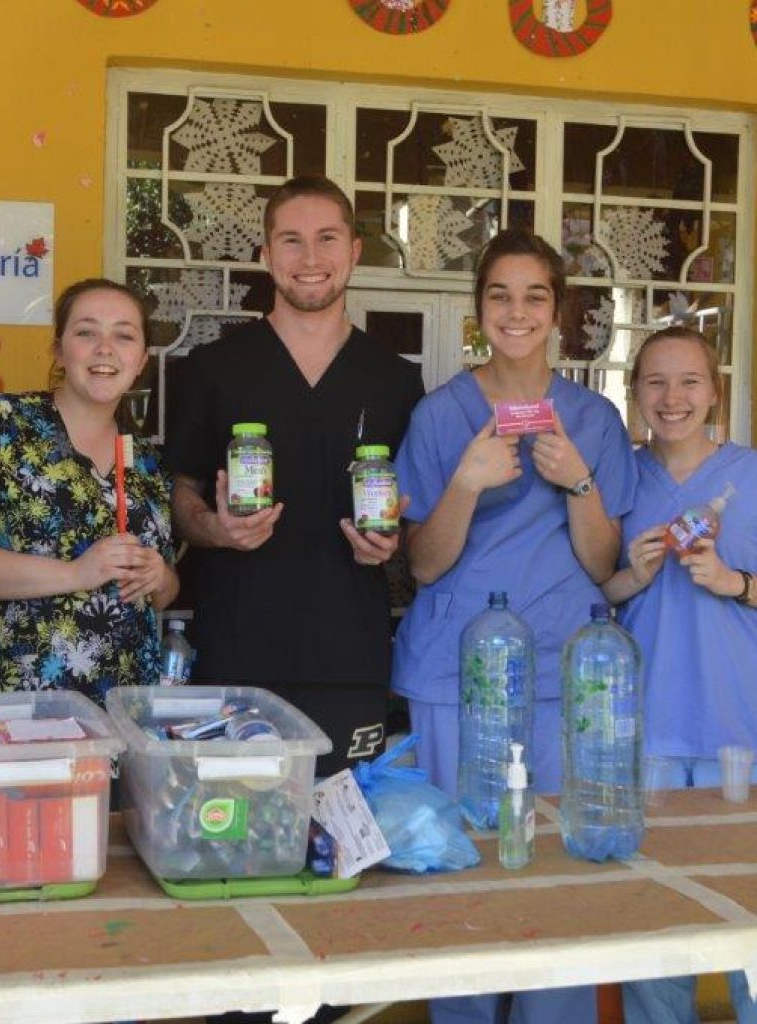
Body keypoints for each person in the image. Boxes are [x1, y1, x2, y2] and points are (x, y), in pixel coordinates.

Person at [393, 229, 637, 1024]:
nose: (517, 311)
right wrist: (464, 482)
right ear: (478, 311)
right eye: (500, 294)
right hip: (452, 673)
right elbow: (423, 565)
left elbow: (604, 563)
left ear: (558, 313)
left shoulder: (592, 419)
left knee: (554, 880)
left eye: (535, 296)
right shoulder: (440, 417)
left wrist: (579, 481)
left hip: (561, 673)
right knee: (458, 869)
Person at [165, 175, 423, 775]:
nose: (311, 259)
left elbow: (413, 519)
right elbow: (181, 494)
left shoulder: (394, 379)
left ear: (355, 251)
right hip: (235, 653)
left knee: (342, 846)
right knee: (233, 839)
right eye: (291, 240)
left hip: (349, 658)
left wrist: (392, 544)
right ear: (265, 255)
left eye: (327, 238)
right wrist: (215, 528)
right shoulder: (214, 368)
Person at [602, 325, 757, 1024]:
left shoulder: (750, 475)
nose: (672, 398)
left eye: (689, 381)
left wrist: (735, 582)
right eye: (655, 382)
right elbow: (588, 590)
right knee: (657, 932)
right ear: (633, 394)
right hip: (647, 738)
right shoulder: (620, 480)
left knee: (749, 933)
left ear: (714, 392)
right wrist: (628, 576)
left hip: (741, 733)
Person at [0, 278, 179, 704]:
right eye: (86, 332)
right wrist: (76, 574)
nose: (104, 348)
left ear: (141, 360)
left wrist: (158, 576)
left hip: (119, 711)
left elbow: (164, 592)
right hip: (5, 706)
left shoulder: (146, 463)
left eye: (124, 335)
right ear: (59, 350)